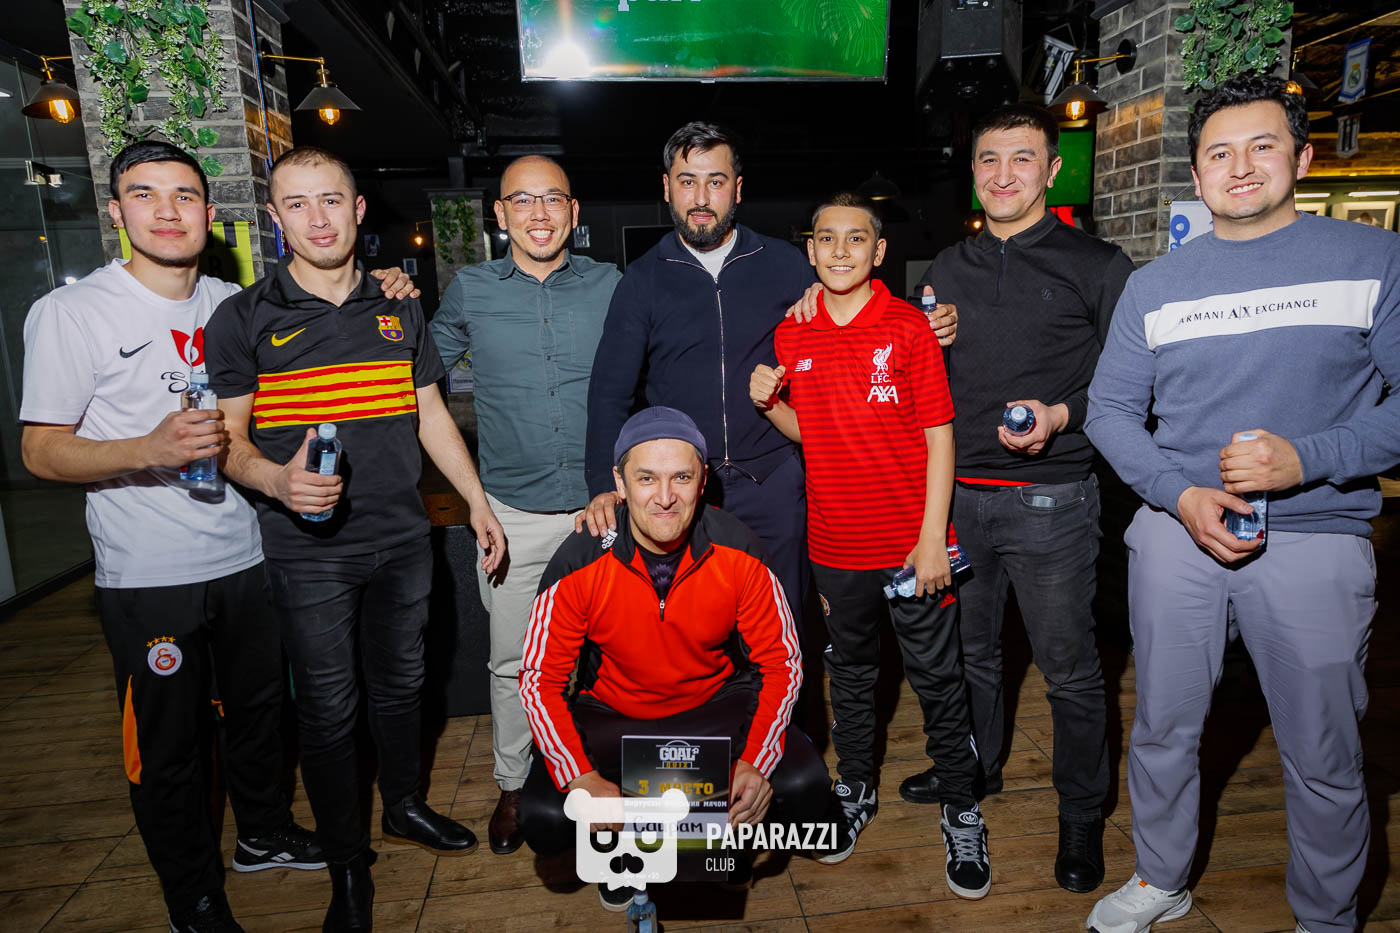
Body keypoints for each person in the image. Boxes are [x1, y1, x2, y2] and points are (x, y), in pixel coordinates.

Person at [18, 140, 418, 933]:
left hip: (249, 553)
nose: (167, 211)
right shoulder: (74, 312)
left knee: (260, 717)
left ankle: (262, 833)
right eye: (145, 194)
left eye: (184, 196)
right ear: (117, 211)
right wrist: (148, 447)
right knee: (170, 743)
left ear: (211, 212)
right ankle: (193, 893)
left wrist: (388, 283)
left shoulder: (233, 304)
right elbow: (40, 450)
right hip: (149, 569)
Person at [1085, 75, 1400, 933]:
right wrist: (1179, 495)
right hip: (1177, 532)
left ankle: (1326, 918)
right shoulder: (1155, 286)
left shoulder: (1373, 260)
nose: (1242, 166)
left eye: (1263, 145)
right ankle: (1161, 876)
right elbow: (1109, 412)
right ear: (1196, 174)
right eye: (1219, 152)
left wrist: (1307, 459)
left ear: (1302, 157)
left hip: (1316, 534)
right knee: (1163, 728)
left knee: (1323, 749)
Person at [205, 145, 506, 932]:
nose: (317, 218)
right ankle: (347, 865)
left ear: (358, 208)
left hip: (403, 537)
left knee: (404, 685)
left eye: (331, 199)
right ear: (274, 217)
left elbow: (429, 411)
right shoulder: (243, 317)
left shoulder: (398, 304)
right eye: (297, 203)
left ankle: (403, 804)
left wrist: (475, 500)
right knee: (330, 708)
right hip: (307, 551)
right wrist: (277, 482)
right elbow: (227, 439)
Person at [905, 103, 1134, 894]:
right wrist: (925, 341)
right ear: (972, 171)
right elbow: (919, 384)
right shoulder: (945, 266)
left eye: (1023, 158)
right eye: (989, 159)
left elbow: (1131, 382)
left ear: (1052, 169)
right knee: (972, 657)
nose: (1004, 175)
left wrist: (1061, 415)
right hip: (959, 498)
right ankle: (977, 771)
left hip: (1052, 501)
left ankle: (1082, 813)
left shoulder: (1099, 265)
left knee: (1069, 670)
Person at [750, 194, 991, 899]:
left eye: (856, 238)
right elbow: (812, 431)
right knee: (851, 676)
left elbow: (940, 437)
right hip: (834, 543)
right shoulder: (792, 333)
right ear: (810, 249)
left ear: (879, 251)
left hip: (912, 546)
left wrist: (932, 539)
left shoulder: (909, 326)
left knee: (937, 678)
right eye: (827, 238)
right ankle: (855, 788)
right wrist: (771, 402)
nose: (841, 250)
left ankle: (961, 805)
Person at [517, 407, 830, 911]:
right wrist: (581, 777)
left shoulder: (739, 547)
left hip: (713, 705)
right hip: (616, 713)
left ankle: (725, 842)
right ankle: (620, 851)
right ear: (619, 482)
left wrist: (756, 761)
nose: (664, 497)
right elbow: (538, 680)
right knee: (546, 817)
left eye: (681, 478)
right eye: (646, 478)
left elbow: (783, 664)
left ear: (703, 481)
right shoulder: (579, 558)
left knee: (803, 782)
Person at [429, 155, 620, 855]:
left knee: (616, 653)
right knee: (514, 660)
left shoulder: (611, 284)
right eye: (522, 201)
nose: (539, 214)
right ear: (500, 214)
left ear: (574, 211)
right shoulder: (471, 290)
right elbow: (417, 377)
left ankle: (605, 770)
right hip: (513, 511)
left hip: (606, 506)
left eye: (553, 200)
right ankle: (514, 782)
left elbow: (650, 376)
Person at [582, 122, 816, 624]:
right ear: (667, 187)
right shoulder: (642, 279)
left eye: (716, 181)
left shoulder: (787, 264)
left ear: (738, 188)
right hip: (685, 493)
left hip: (774, 483)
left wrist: (920, 322)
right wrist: (603, 482)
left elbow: (844, 336)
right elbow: (609, 392)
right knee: (697, 632)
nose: (702, 198)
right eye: (688, 181)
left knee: (782, 627)